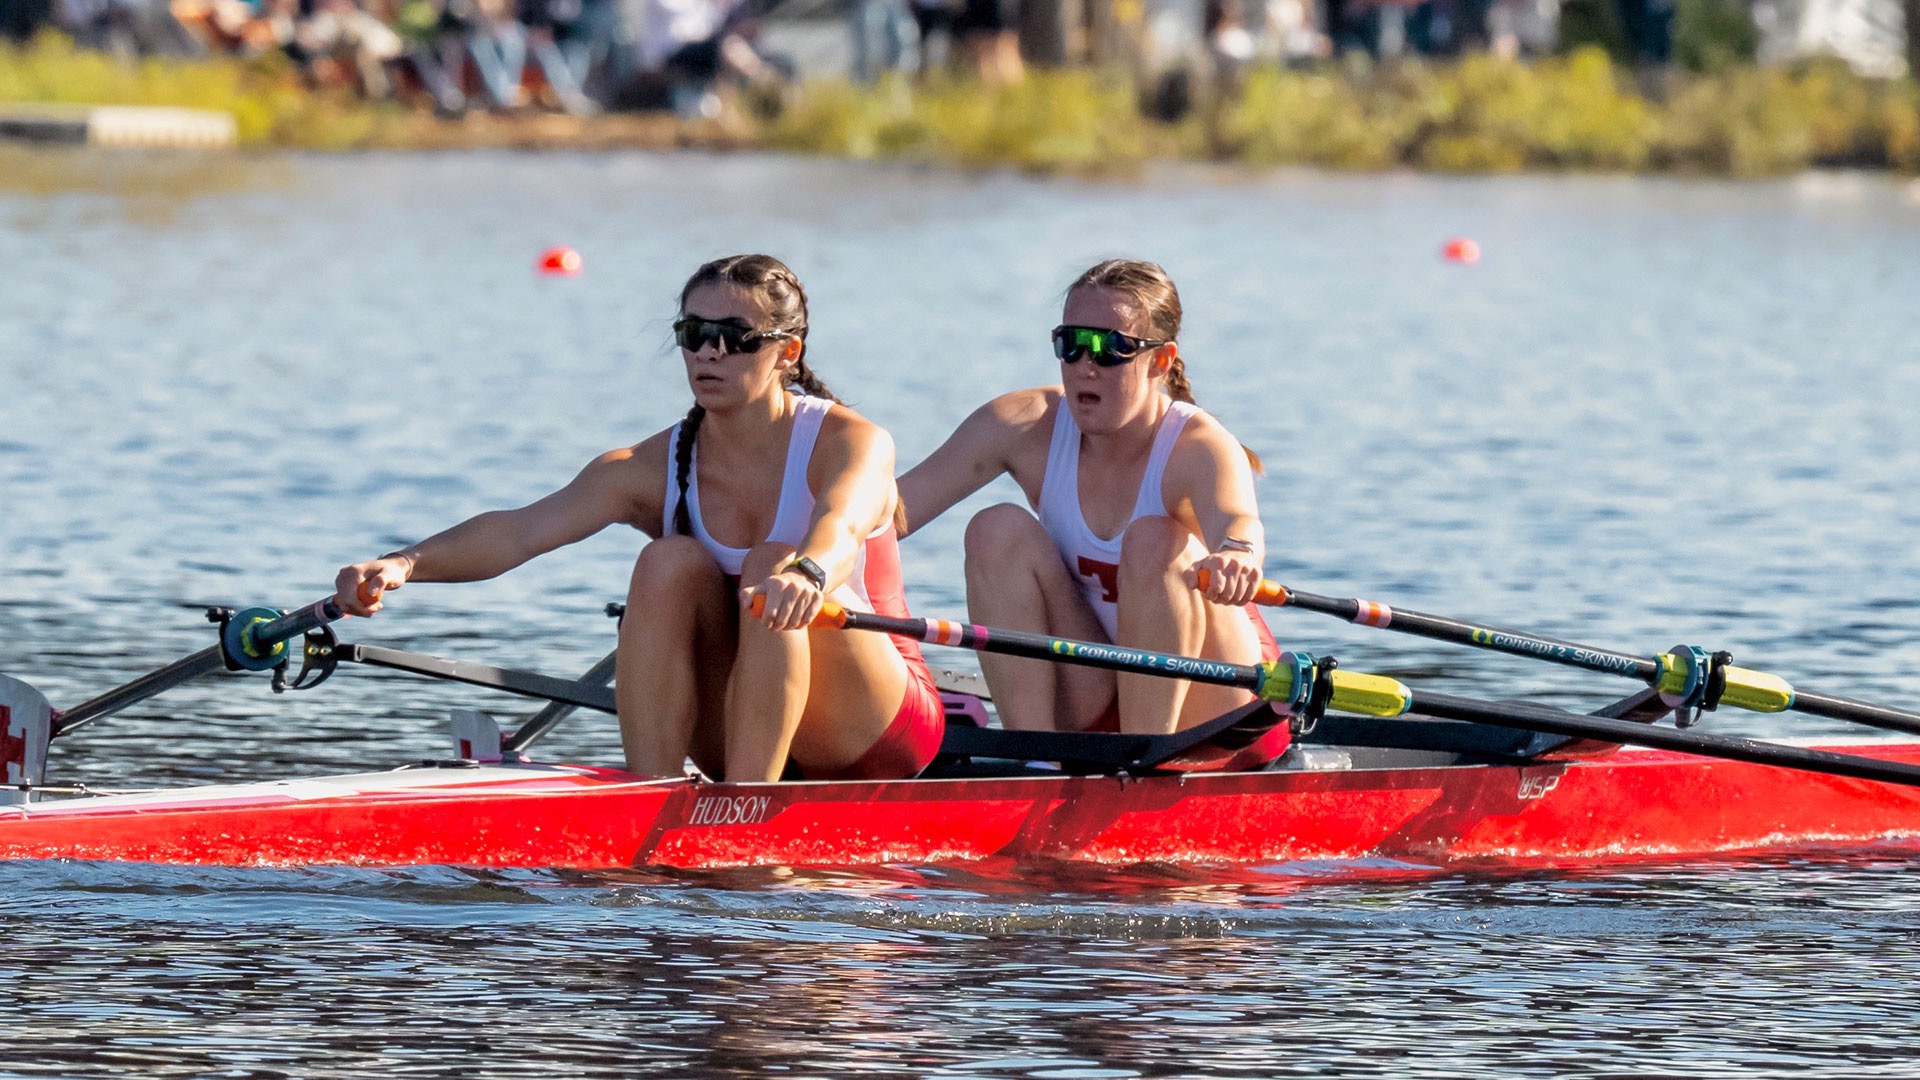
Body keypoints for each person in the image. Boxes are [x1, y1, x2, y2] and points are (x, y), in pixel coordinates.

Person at [334, 254, 945, 783]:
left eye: (735, 335)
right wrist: (402, 563)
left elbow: (839, 527)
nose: (710, 350)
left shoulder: (852, 441)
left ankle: (744, 817)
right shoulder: (649, 466)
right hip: (738, 721)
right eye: (694, 332)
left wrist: (807, 575)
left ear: (787, 352)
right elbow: (520, 532)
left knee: (773, 561)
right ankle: (651, 797)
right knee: (666, 561)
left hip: (877, 728)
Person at [896, 259, 1285, 770]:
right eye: (1071, 342)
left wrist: (1238, 555)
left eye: (1112, 347)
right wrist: (803, 552)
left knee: (1154, 541)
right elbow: (890, 512)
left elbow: (1238, 523)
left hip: (1222, 711)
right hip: (1099, 698)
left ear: (1161, 361)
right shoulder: (1025, 424)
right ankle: (1036, 762)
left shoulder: (1199, 447)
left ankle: (1140, 775)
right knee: (995, 529)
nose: (1086, 363)